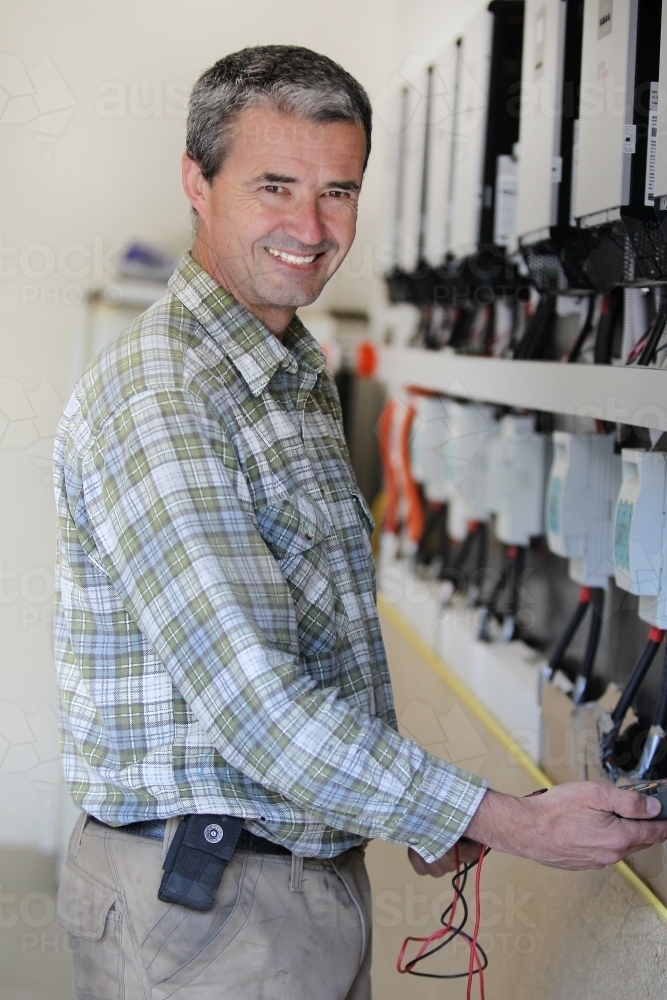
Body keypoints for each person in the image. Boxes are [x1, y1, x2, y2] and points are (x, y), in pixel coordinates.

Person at [53, 45, 667, 1000]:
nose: (310, 226)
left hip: (284, 882)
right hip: (206, 911)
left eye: (337, 191)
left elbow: (308, 658)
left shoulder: (287, 374)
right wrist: (502, 818)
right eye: (274, 185)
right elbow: (257, 703)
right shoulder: (166, 395)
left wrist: (429, 813)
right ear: (196, 181)